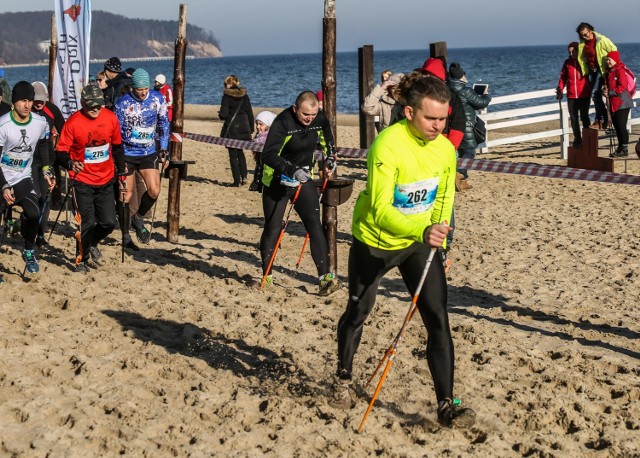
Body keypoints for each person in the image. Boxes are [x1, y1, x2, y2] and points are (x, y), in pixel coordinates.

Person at [328, 74, 475, 428]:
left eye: (443, 119)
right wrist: (422, 229)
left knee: (438, 319)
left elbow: (443, 197)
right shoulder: (387, 145)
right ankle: (343, 376)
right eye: (431, 119)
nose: (439, 126)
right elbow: (380, 209)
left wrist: (440, 234)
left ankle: (445, 405)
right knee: (358, 312)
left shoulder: (444, 149)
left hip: (418, 244)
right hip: (375, 242)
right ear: (409, 112)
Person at [259, 91, 340, 296]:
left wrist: (330, 160)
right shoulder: (283, 122)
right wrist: (290, 169)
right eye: (305, 115)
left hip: (303, 179)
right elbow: (267, 155)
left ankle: (324, 279)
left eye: (312, 115)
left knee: (314, 224)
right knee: (273, 227)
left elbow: (328, 145)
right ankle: (267, 274)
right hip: (276, 180)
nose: (309, 119)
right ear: (295, 109)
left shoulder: (319, 119)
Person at [55, 85, 126, 272]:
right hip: (82, 181)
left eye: (99, 105)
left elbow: (118, 146)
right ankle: (82, 259)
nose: (95, 109)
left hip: (106, 179)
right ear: (82, 103)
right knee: (87, 222)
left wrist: (122, 170)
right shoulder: (73, 122)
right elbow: (60, 152)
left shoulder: (110, 118)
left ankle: (90, 243)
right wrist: (70, 164)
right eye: (91, 105)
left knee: (109, 222)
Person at [0, 81, 54, 274]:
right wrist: (4, 186)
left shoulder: (40, 123)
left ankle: (29, 251)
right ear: (14, 102)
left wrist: (47, 170)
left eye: (30, 100)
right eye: (23, 100)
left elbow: (43, 146)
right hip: (2, 176)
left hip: (22, 177)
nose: (28, 105)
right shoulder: (3, 124)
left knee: (33, 214)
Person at [114, 68, 169, 246]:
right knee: (126, 195)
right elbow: (116, 131)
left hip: (148, 152)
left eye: (146, 88)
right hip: (127, 154)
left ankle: (138, 219)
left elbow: (163, 123)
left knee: (154, 190)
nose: (144, 92)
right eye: (140, 89)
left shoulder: (157, 98)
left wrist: (164, 148)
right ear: (133, 88)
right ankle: (125, 235)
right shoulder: (122, 103)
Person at [31, 81, 66, 243]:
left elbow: (65, 131)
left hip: (47, 159)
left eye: (41, 99)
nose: (38, 103)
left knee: (45, 196)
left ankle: (40, 233)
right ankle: (29, 229)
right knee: (34, 195)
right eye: (35, 99)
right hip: (28, 161)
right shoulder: (25, 110)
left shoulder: (51, 110)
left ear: (46, 98)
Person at [447, 62, 491, 190]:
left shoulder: (445, 88)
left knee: (459, 152)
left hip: (451, 125)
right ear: (461, 76)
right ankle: (459, 174)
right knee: (469, 153)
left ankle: (462, 182)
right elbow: (481, 103)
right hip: (466, 126)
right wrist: (486, 95)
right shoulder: (465, 90)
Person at [575, 22, 617, 129]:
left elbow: (614, 51)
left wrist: (610, 65)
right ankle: (600, 119)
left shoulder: (602, 40)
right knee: (596, 95)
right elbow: (581, 58)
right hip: (591, 71)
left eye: (586, 34)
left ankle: (603, 118)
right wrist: (585, 71)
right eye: (582, 35)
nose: (584, 37)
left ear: (590, 30)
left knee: (595, 93)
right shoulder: (582, 43)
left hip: (601, 69)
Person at [218, 75, 254, 187]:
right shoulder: (245, 96)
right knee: (240, 152)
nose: (224, 87)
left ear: (229, 84)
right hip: (244, 127)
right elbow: (249, 113)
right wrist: (251, 128)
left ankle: (236, 181)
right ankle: (244, 177)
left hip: (232, 129)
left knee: (233, 155)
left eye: (225, 84)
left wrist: (220, 114)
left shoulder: (226, 96)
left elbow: (224, 114)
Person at [556, 42, 592, 149]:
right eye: (569, 52)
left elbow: (593, 73)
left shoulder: (584, 62)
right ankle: (577, 138)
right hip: (571, 95)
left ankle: (587, 137)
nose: (571, 54)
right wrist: (560, 89)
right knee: (573, 118)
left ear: (578, 51)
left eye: (573, 51)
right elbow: (563, 77)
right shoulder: (567, 63)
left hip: (584, 94)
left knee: (584, 116)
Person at [603, 50, 634, 158]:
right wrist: (605, 90)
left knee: (621, 126)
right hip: (614, 102)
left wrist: (610, 92)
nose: (608, 61)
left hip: (623, 102)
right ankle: (620, 148)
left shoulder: (619, 70)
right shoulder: (609, 71)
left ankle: (624, 149)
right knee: (617, 126)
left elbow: (623, 86)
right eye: (607, 59)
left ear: (615, 60)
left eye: (609, 59)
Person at [249, 110, 277, 193]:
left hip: (269, 177)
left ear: (268, 125)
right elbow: (259, 165)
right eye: (257, 124)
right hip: (262, 177)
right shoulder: (258, 138)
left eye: (261, 124)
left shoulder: (271, 139)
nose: (258, 127)